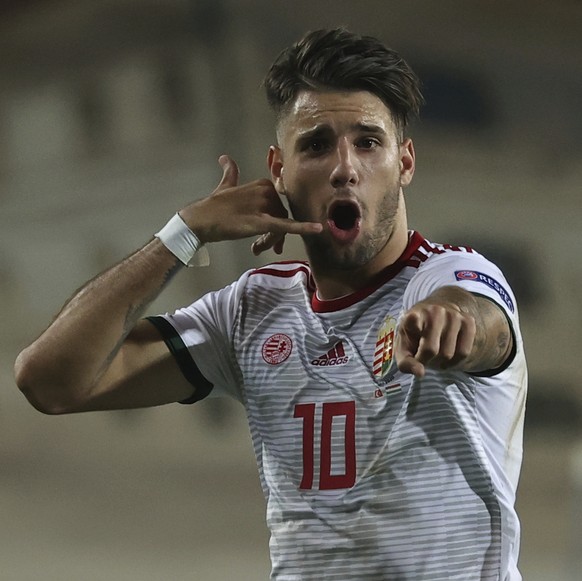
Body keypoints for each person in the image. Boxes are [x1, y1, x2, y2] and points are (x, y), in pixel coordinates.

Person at [14, 28, 527, 580]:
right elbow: (50, 381)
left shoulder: (448, 275)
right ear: (278, 170)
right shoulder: (250, 311)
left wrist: (451, 323)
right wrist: (182, 234)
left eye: (368, 142)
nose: (344, 167)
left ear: (404, 163)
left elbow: (480, 320)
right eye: (315, 144)